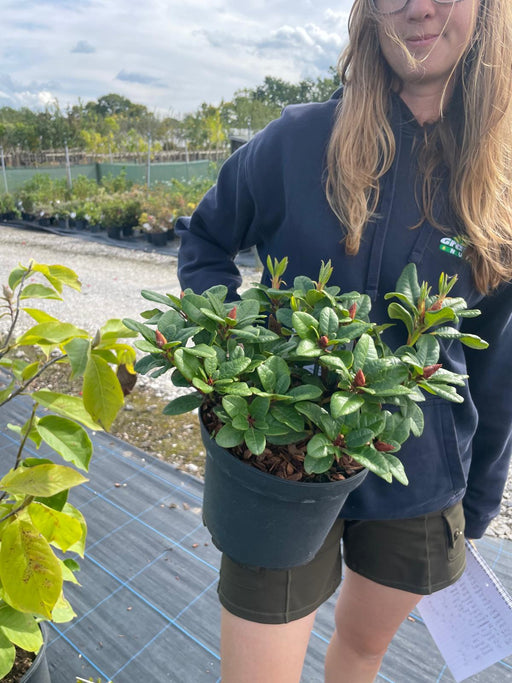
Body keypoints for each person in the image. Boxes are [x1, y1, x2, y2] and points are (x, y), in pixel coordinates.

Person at [176, 1, 512, 681]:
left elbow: (495, 354)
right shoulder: (299, 141)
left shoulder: (499, 182)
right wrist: (236, 348)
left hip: (417, 475)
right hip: (280, 461)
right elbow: (207, 239)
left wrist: (479, 497)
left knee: (360, 652)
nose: (419, 6)